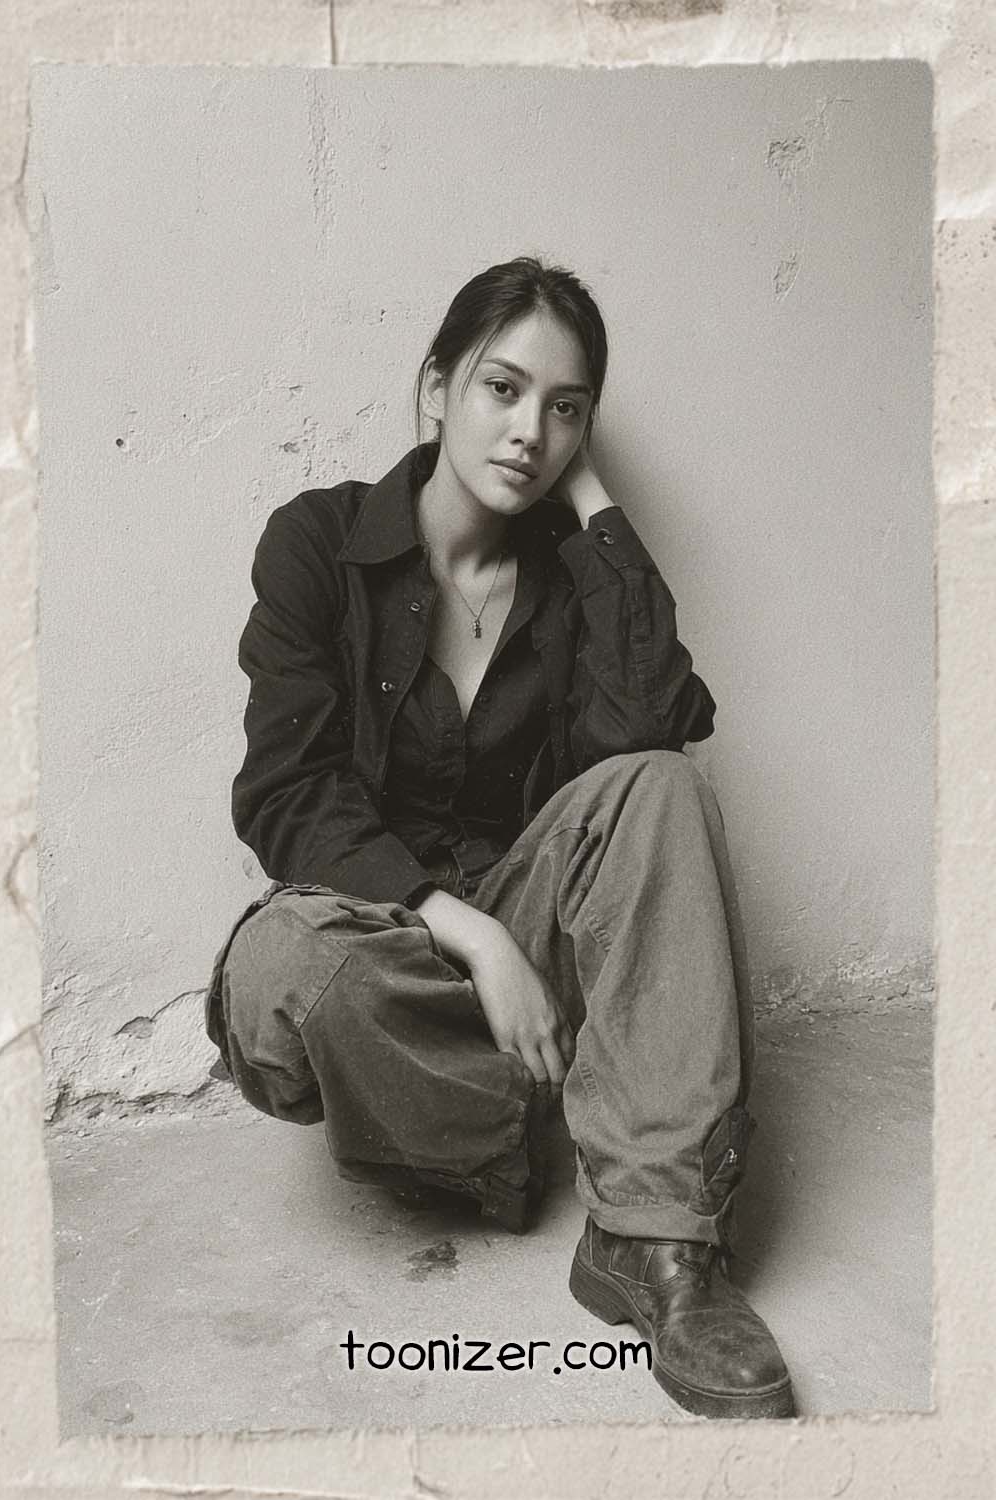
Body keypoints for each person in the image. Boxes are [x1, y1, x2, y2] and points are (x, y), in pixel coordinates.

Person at [204, 255, 794, 1420]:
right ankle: (534, 1121)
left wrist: (595, 510)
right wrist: (471, 936)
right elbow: (285, 790)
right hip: (396, 937)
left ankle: (651, 1238)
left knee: (659, 788)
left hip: (541, 936)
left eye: (565, 408)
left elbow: (651, 726)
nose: (530, 430)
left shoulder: (570, 579)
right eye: (502, 389)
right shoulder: (317, 545)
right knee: (278, 971)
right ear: (436, 389)